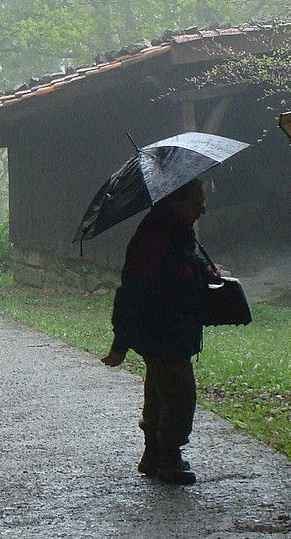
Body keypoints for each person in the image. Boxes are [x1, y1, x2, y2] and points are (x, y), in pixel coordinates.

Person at [100, 178, 218, 485]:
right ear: (175, 202)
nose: (202, 209)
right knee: (179, 397)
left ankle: (153, 455)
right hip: (162, 333)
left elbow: (181, 266)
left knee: (158, 394)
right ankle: (169, 458)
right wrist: (120, 344)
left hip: (173, 331)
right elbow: (133, 292)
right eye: (197, 202)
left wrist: (203, 270)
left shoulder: (177, 234)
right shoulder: (154, 240)